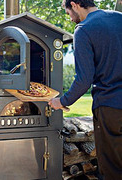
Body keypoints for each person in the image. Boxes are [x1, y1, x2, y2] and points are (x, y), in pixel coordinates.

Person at [48, 0, 122, 179]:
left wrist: (62, 101)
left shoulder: (83, 30)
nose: (71, 19)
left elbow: (84, 80)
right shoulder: (119, 18)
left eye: (69, 13)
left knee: (112, 166)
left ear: (74, 4)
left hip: (110, 107)